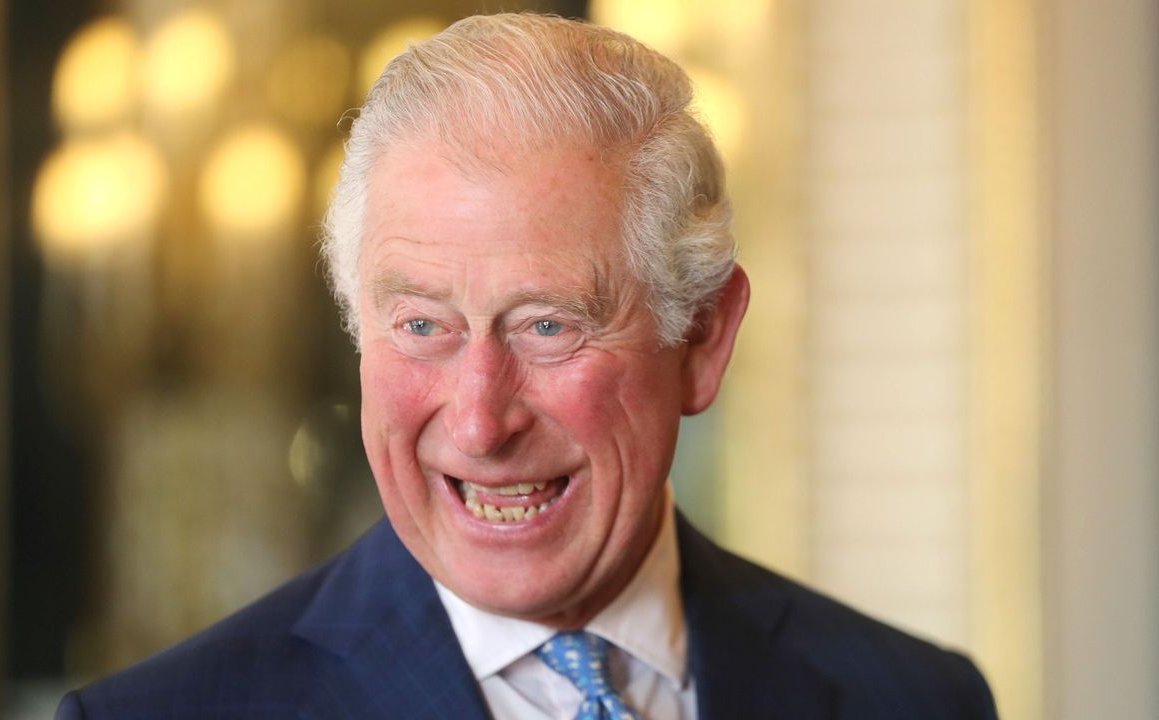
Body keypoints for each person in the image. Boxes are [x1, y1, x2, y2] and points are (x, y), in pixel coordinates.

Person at [57, 13, 997, 719]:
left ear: (702, 339)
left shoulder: (915, 700)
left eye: (547, 327)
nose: (478, 421)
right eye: (423, 325)